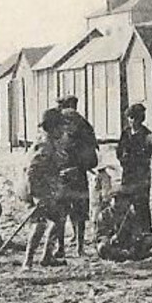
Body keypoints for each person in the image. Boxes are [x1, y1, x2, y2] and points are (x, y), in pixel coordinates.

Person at [52, 95, 99, 258]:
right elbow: (93, 152)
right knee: (79, 211)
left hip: (63, 173)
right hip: (78, 173)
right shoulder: (84, 124)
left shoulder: (58, 124)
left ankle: (61, 247)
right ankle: (79, 247)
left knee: (61, 212)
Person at [110, 101, 152, 258]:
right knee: (125, 203)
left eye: (134, 118)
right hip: (128, 173)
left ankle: (146, 235)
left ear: (140, 119)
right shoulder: (126, 133)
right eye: (129, 118)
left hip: (142, 174)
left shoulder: (147, 134)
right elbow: (119, 151)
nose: (131, 121)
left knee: (142, 204)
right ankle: (125, 235)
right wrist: (123, 157)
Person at [21, 109, 67, 269]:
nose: (63, 130)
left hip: (44, 189)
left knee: (59, 218)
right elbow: (31, 171)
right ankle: (28, 261)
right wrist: (36, 196)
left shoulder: (50, 142)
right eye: (61, 127)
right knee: (39, 224)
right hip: (34, 189)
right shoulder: (45, 146)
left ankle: (47, 256)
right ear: (53, 128)